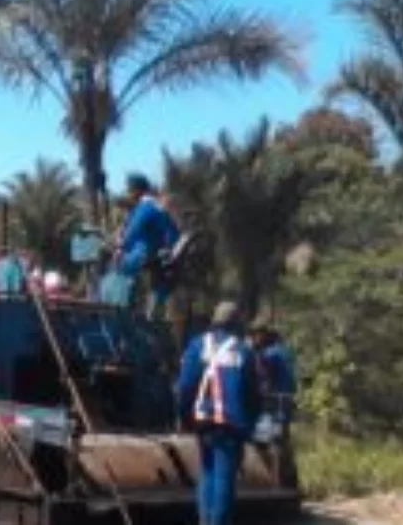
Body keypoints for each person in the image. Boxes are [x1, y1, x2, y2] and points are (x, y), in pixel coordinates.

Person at [177, 301, 262, 525]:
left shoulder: (198, 345)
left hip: (204, 421)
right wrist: (251, 424)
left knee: (207, 472)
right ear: (236, 324)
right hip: (231, 423)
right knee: (225, 477)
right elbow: (253, 392)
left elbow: (185, 386)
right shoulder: (243, 351)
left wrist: (185, 417)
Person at [117, 173, 181, 318]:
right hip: (162, 256)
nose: (128, 194)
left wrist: (120, 246)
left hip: (146, 253)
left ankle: (124, 310)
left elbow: (132, 231)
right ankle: (150, 311)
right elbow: (174, 232)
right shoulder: (157, 206)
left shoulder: (145, 207)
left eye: (129, 190)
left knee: (119, 268)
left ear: (137, 190)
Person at [248, 317, 298, 440]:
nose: (255, 338)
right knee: (283, 435)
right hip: (287, 397)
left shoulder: (270, 354)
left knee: (268, 436)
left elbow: (261, 375)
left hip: (274, 398)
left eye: (256, 334)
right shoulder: (286, 350)